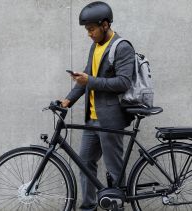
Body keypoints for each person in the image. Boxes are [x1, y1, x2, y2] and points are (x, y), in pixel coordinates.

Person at [60, 1, 135, 210]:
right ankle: (88, 207)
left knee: (114, 169)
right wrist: (67, 100)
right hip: (91, 119)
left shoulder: (122, 47)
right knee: (85, 164)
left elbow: (123, 82)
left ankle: (117, 207)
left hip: (110, 119)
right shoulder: (96, 46)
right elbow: (86, 76)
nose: (89, 34)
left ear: (104, 25)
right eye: (87, 30)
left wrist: (90, 81)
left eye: (91, 29)